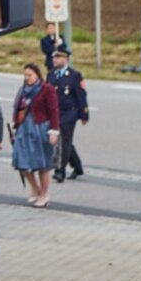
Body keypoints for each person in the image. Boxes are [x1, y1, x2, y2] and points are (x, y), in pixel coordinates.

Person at [11, 63, 60, 207]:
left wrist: (54, 130)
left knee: (42, 164)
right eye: (25, 75)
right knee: (21, 161)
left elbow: (54, 111)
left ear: (37, 75)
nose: (27, 78)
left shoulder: (47, 90)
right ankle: (35, 189)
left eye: (29, 75)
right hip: (24, 128)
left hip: (40, 128)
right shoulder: (23, 90)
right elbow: (18, 109)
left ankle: (44, 194)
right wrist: (16, 126)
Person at [47, 48, 88, 182]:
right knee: (65, 142)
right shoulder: (51, 74)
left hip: (69, 113)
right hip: (54, 113)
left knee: (64, 141)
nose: (54, 60)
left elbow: (81, 96)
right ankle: (77, 166)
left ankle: (60, 170)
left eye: (58, 57)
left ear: (66, 59)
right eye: (54, 57)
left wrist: (84, 114)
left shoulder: (75, 75)